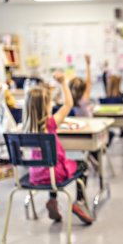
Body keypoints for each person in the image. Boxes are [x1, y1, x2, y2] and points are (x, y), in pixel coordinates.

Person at [22, 71, 93, 224]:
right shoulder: (51, 124)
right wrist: (63, 83)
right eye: (49, 104)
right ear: (45, 107)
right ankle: (78, 202)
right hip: (56, 173)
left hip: (35, 176)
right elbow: (68, 104)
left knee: (48, 167)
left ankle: (52, 200)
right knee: (82, 164)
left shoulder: (25, 130)